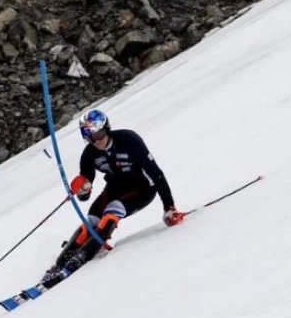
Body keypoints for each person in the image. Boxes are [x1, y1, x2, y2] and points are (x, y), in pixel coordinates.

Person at [41, 108, 185, 288]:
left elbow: (156, 174)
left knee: (112, 211)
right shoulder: (89, 154)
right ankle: (59, 265)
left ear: (106, 128)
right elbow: (85, 194)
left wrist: (169, 207)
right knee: (91, 221)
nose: (97, 141)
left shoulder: (129, 140)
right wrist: (83, 188)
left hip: (142, 189)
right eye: (90, 137)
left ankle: (80, 259)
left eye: (99, 134)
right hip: (114, 189)